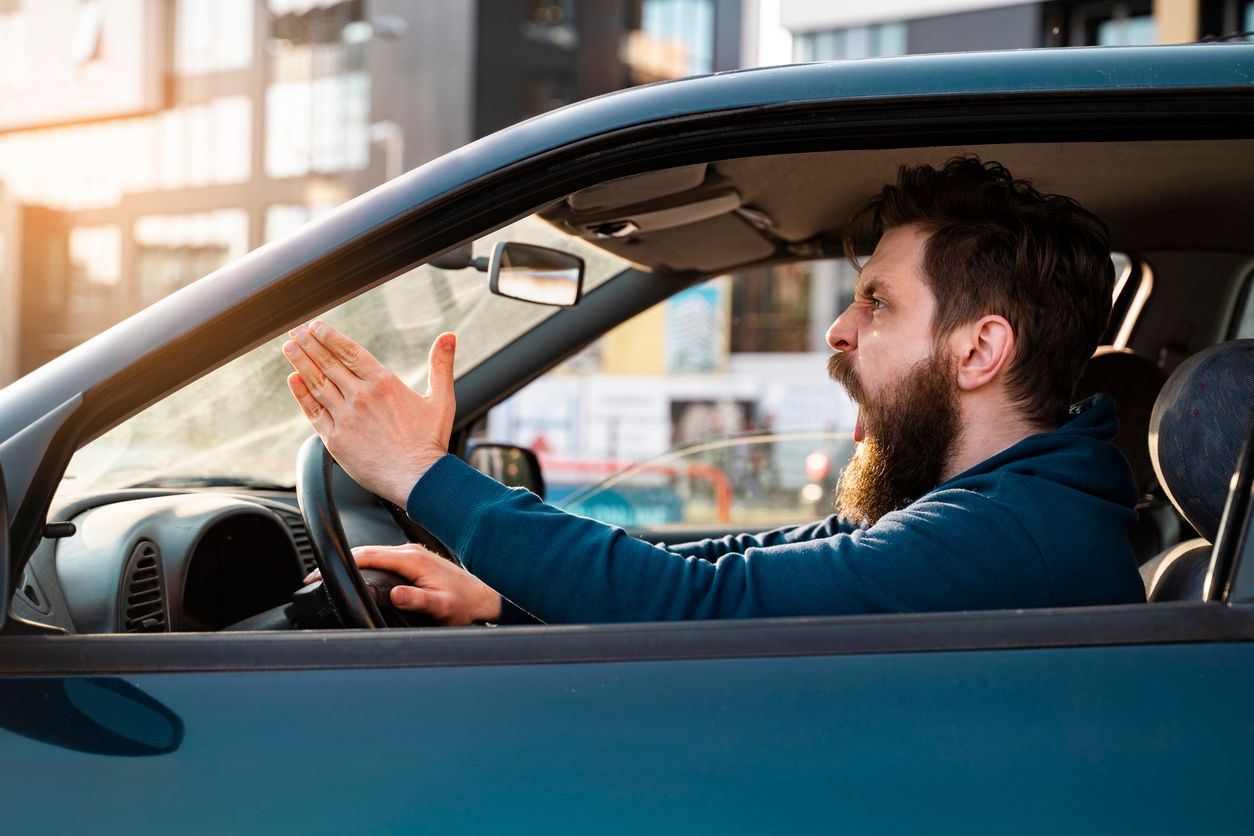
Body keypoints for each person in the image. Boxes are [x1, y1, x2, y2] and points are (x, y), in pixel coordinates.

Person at [282, 157, 1147, 625]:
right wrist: (498, 598)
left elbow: (710, 607)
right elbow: (738, 562)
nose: (838, 331)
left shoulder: (1012, 538)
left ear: (979, 350)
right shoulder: (995, 507)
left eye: (877, 302)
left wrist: (420, 473)